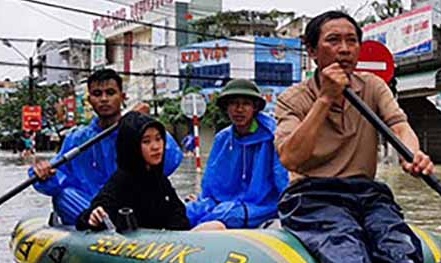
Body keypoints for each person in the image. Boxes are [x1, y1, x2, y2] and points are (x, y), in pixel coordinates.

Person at [274, 10, 441, 263]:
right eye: (333, 41)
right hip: (313, 196)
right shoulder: (293, 99)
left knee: (393, 237)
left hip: (366, 192)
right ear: (312, 52)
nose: (345, 49)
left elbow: (397, 125)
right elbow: (291, 158)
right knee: (344, 245)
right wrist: (325, 99)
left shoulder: (373, 86)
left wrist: (414, 153)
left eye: (352, 41)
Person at [31, 68, 183, 226]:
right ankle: (100, 223)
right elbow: (58, 178)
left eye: (110, 93)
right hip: (89, 207)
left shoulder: (136, 130)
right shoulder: (77, 138)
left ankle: (114, 224)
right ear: (89, 100)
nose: (104, 99)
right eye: (97, 94)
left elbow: (169, 161)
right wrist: (44, 174)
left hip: (132, 205)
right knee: (64, 196)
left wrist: (142, 120)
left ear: (122, 97)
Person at [184, 79, 288, 230]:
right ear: (227, 107)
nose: (239, 109)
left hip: (259, 207)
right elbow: (210, 185)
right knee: (186, 213)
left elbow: (283, 182)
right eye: (234, 103)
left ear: (255, 108)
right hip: (223, 204)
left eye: (245, 103)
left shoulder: (273, 137)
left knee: (225, 217)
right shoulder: (222, 138)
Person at [78, 112, 190, 232]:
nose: (156, 147)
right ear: (132, 146)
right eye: (146, 141)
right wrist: (94, 217)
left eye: (158, 139)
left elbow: (178, 214)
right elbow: (96, 211)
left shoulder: (160, 180)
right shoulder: (121, 181)